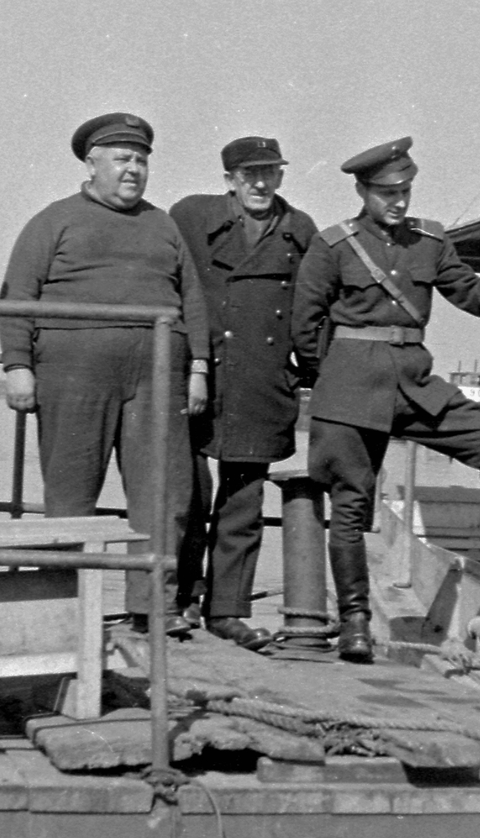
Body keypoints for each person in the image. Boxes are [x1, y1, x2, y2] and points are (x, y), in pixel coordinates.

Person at [291, 137, 480, 662]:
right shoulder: (333, 245)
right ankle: (356, 623)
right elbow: (304, 327)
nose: (400, 202)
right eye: (388, 193)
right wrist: (338, 378)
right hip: (351, 385)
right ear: (363, 191)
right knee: (350, 504)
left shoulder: (430, 241)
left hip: (416, 383)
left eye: (406, 190)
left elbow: (478, 301)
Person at [0, 112, 208, 634]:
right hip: (73, 375)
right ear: (92, 164)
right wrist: (17, 366)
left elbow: (194, 301)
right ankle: (66, 606)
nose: (133, 169)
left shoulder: (164, 224)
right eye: (122, 159)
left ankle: (151, 606)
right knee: (70, 495)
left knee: (164, 494)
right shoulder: (54, 220)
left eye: (141, 160)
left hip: (157, 376)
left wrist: (199, 366)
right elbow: (17, 296)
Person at [170, 136, 317, 651]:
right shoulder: (191, 218)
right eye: (249, 174)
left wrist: (315, 371)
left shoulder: (300, 230)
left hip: (259, 379)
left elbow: (309, 308)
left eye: (270, 173)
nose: (260, 183)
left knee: (243, 501)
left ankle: (227, 609)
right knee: (185, 492)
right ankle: (178, 598)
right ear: (229, 179)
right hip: (198, 376)